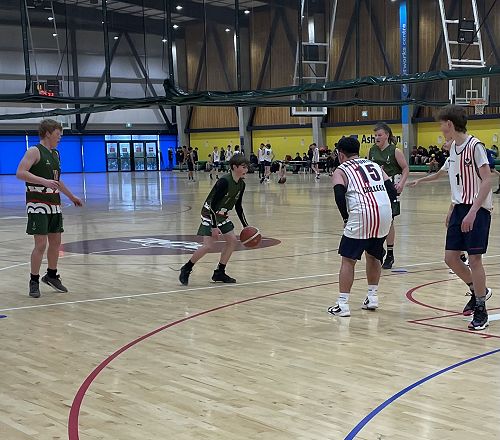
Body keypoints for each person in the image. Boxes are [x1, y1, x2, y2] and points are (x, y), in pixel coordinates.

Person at [328, 137, 397, 317]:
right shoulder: (374, 165)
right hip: (384, 213)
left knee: (348, 260)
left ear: (340, 154)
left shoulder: (341, 170)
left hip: (362, 213)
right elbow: (391, 190)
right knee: (374, 255)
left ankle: (342, 304)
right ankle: (372, 297)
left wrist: (345, 217)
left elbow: (339, 195)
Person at [437, 105, 492, 330]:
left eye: (442, 124)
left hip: (476, 208)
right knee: (450, 258)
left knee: (475, 259)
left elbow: (487, 180)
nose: (440, 128)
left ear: (449, 124)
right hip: (460, 208)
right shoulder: (453, 148)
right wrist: (452, 208)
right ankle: (477, 289)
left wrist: (473, 211)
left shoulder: (475, 146)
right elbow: (457, 181)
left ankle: (481, 309)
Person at [16, 119, 83, 298]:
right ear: (47, 133)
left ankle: (51, 275)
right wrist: (44, 181)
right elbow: (20, 172)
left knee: (55, 242)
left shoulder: (55, 154)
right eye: (57, 134)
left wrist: (71, 196)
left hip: (54, 203)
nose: (60, 137)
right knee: (40, 244)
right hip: (37, 204)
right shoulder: (34, 151)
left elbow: (56, 180)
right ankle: (34, 280)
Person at [179, 154, 251, 285]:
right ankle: (187, 268)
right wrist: (213, 226)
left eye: (247, 167)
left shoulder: (242, 184)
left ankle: (219, 272)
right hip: (209, 213)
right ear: (234, 167)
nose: (246, 169)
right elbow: (212, 205)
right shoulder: (224, 182)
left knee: (232, 241)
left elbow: (238, 206)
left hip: (222, 214)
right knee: (208, 245)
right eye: (243, 167)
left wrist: (246, 225)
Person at [368, 123, 409, 269]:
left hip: (390, 187)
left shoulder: (395, 151)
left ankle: (390, 254)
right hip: (375, 189)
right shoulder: (372, 150)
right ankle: (379, 248)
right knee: (375, 219)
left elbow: (405, 168)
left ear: (387, 135)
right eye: (375, 135)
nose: (376, 137)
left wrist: (402, 183)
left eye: (379, 135)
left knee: (389, 220)